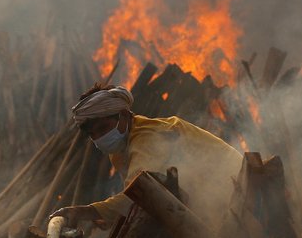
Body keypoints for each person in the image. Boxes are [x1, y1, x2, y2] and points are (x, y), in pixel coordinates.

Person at [51, 83, 243, 230]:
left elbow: (140, 194)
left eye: (103, 128)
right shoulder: (121, 149)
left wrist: (86, 212)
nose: (99, 138)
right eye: (93, 135)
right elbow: (137, 202)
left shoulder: (148, 136)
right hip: (213, 207)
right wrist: (110, 217)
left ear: (124, 116)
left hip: (241, 195)